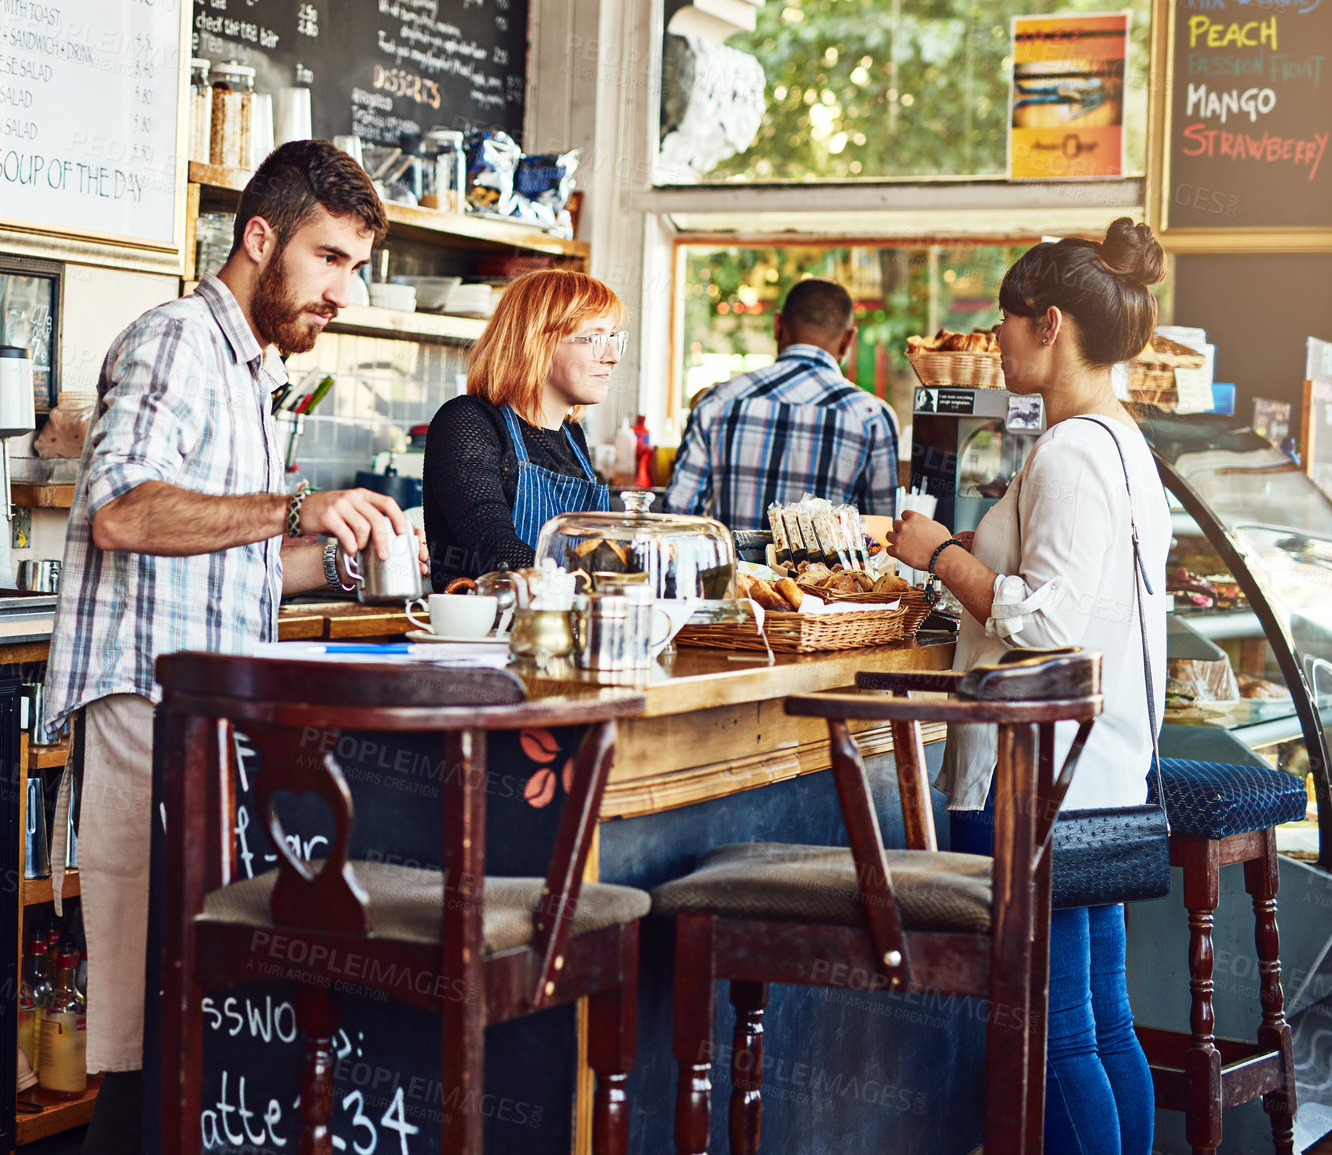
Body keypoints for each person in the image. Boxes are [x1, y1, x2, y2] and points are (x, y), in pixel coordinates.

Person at [40, 140, 418, 1155]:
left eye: (355, 267)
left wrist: (339, 555)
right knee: (139, 1017)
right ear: (260, 237)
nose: (343, 291)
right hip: (144, 708)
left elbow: (233, 561)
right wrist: (299, 501)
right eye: (330, 259)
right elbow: (121, 511)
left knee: (182, 1011)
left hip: (199, 721)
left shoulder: (250, 372)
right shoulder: (176, 340)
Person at [886, 218, 1169, 1155]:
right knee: (1099, 1019)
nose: (993, 336)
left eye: (1002, 319)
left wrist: (940, 554)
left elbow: (1046, 619)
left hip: (1035, 783)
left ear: (1048, 324)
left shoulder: (1072, 453)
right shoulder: (1122, 444)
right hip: (1100, 772)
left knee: (1056, 1033)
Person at [423, 269, 621, 591]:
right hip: (485, 633)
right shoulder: (467, 421)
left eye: (614, 338)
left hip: (563, 626)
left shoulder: (572, 437)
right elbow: (493, 547)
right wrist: (593, 586)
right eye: (596, 338)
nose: (612, 356)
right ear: (538, 341)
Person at [663, 277, 898, 528]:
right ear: (848, 339)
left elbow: (678, 518)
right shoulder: (871, 417)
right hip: (829, 569)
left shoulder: (718, 402)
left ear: (777, 326)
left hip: (732, 568)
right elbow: (881, 533)